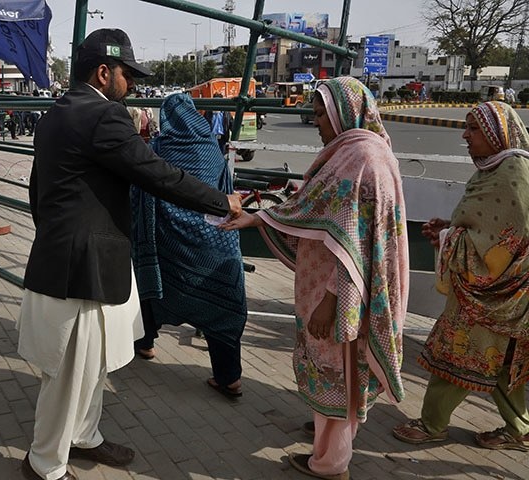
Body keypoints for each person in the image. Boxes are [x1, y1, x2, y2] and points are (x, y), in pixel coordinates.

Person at [17, 28, 242, 480]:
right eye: (128, 74)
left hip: (70, 259)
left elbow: (37, 189)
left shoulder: (55, 113)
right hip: (82, 269)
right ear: (104, 72)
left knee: (91, 364)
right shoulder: (105, 116)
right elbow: (157, 174)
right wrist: (223, 201)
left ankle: (85, 436)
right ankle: (44, 464)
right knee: (68, 373)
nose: (133, 85)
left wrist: (58, 237)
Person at [221, 76, 409, 480]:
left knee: (338, 370)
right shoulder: (352, 153)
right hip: (327, 289)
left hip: (339, 296)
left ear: (347, 112)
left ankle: (329, 465)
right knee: (336, 371)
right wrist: (257, 218)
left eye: (323, 112)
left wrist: (330, 301)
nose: (317, 120)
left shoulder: (362, 160)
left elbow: (355, 245)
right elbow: (309, 212)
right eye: (316, 112)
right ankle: (328, 437)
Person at [392, 101, 529, 452]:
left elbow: (506, 242)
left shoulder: (513, 173)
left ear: (498, 134)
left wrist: (449, 239)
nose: (465, 136)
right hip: (502, 294)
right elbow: (486, 226)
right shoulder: (495, 169)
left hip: (495, 293)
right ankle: (519, 429)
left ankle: (432, 424)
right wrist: (450, 229)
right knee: (503, 361)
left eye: (474, 129)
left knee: (457, 354)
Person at [130, 93, 247, 397]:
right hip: (214, 244)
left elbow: (142, 192)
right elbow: (226, 194)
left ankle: (144, 343)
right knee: (222, 308)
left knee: (153, 287)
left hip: (172, 245)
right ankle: (229, 377)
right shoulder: (213, 150)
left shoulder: (158, 149)